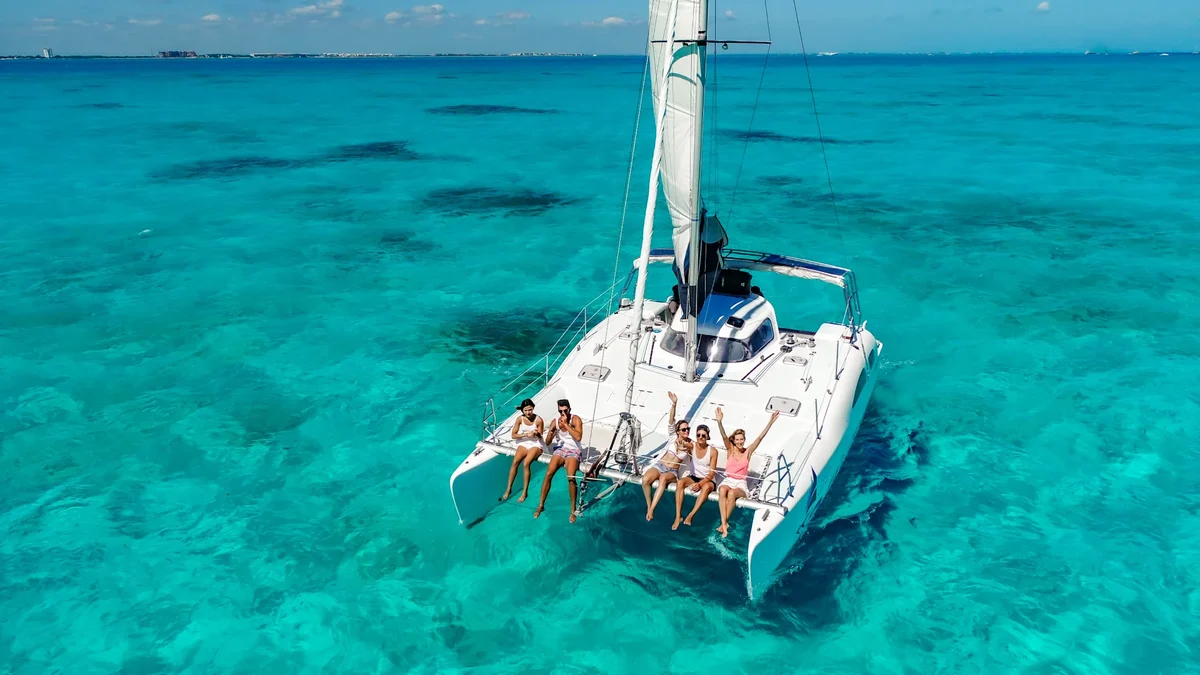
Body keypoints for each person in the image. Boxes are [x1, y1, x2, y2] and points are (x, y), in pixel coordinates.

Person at [714, 407, 780, 538]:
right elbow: (723, 436)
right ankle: (724, 523)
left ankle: (724, 523)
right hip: (728, 480)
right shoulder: (730, 449)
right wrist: (719, 422)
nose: (739, 441)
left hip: (740, 483)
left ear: (744, 440)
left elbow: (759, 438)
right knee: (722, 489)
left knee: (732, 493)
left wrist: (770, 423)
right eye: (737, 439)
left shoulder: (747, 451)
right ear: (734, 440)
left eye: (741, 439)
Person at [643, 392, 692, 522]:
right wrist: (674, 404)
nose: (686, 431)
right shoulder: (672, 437)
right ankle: (648, 504)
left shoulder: (690, 444)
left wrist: (684, 447)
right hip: (660, 465)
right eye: (684, 429)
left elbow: (692, 449)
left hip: (672, 471)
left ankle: (652, 509)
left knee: (663, 479)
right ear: (678, 431)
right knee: (645, 480)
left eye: (688, 429)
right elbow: (671, 420)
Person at [534, 398, 584, 523]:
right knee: (549, 473)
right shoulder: (555, 421)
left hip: (573, 450)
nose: (563, 413)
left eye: (565, 410)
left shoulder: (575, 419)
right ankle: (541, 504)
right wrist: (551, 433)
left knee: (571, 477)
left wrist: (566, 424)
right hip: (561, 449)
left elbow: (578, 437)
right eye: (560, 411)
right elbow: (547, 442)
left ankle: (573, 508)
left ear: (569, 409)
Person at [674, 423, 718, 530]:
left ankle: (690, 515)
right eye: (698, 435)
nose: (701, 437)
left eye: (703, 435)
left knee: (706, 487)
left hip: (707, 480)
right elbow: (684, 444)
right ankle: (678, 515)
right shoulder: (693, 446)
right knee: (680, 483)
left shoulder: (713, 451)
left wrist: (700, 484)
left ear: (707, 436)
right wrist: (680, 442)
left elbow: (712, 473)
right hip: (694, 477)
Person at [501, 398, 544, 503]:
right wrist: (525, 434)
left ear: (533, 408)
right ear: (522, 411)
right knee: (515, 462)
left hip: (535, 443)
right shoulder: (520, 419)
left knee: (526, 463)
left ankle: (525, 491)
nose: (528, 412)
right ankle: (509, 488)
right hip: (524, 441)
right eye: (526, 410)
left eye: (530, 409)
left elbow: (540, 434)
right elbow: (513, 435)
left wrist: (535, 433)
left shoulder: (538, 420)